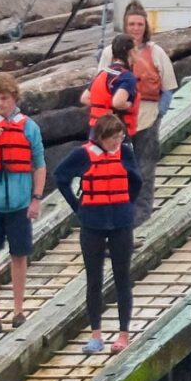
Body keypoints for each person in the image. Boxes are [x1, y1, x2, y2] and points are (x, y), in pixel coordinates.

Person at [52, 112, 141, 355]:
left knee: (122, 276)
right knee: (94, 279)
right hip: (92, 222)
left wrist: (126, 204)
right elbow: (61, 177)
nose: (117, 142)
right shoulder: (83, 154)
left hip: (121, 222)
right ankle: (96, 335)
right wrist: (77, 206)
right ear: (101, 137)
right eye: (113, 138)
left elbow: (136, 180)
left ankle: (123, 334)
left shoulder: (125, 152)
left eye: (120, 137)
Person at [0, 73, 46, 336]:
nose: (0, 103)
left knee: (19, 255)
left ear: (14, 97)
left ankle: (18, 310)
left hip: (19, 205)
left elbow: (39, 164)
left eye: (4, 98)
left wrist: (35, 198)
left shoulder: (29, 127)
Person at [100, 4, 174, 210]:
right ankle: (119, 206)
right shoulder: (109, 53)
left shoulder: (156, 52)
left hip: (147, 117)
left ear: (146, 26)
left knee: (145, 166)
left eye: (140, 24)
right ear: (125, 25)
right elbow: (101, 82)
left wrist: (160, 113)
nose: (136, 28)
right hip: (117, 120)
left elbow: (168, 87)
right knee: (117, 166)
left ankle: (142, 210)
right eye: (131, 24)